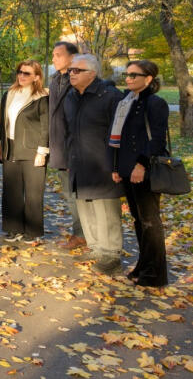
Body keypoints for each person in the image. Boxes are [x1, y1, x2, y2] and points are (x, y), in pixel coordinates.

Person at [110, 59, 169, 287]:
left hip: (144, 170)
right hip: (127, 168)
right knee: (138, 220)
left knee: (150, 221)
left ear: (148, 79)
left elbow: (157, 139)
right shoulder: (126, 101)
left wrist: (140, 165)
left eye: (134, 75)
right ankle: (143, 265)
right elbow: (120, 139)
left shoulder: (155, 103)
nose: (128, 78)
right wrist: (117, 167)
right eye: (127, 74)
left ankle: (155, 274)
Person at [63, 54, 123, 275]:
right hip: (79, 161)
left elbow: (119, 133)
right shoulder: (71, 96)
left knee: (105, 210)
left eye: (77, 70)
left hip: (103, 164)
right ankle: (96, 247)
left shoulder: (110, 96)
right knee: (85, 206)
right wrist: (70, 157)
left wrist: (116, 165)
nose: (71, 74)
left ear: (92, 73)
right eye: (70, 70)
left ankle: (111, 255)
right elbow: (69, 130)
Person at [0, 60, 50, 244]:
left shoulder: (42, 96)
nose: (22, 76)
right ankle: (13, 229)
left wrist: (42, 151)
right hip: (11, 147)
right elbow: (2, 121)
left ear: (36, 76)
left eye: (27, 73)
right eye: (20, 72)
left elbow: (46, 126)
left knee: (34, 193)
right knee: (11, 191)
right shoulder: (10, 94)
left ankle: (33, 232)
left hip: (33, 150)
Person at [49, 41, 86, 250]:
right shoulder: (55, 80)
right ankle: (79, 232)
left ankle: (82, 234)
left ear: (71, 58)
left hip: (73, 148)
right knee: (69, 194)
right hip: (58, 147)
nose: (54, 58)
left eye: (58, 55)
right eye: (53, 55)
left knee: (77, 195)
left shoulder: (76, 80)